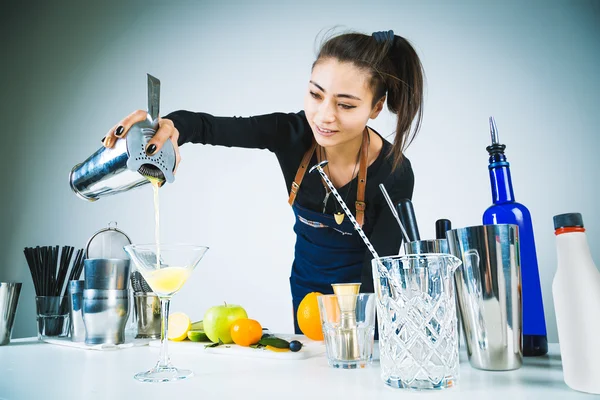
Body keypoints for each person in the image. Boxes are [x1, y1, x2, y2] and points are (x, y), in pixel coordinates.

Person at [103, 29, 425, 333]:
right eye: (315, 94)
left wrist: (358, 331)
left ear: (376, 107)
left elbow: (380, 273)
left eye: (345, 104)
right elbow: (208, 126)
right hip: (306, 293)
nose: (324, 115)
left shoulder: (393, 173)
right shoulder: (292, 135)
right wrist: (168, 126)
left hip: (364, 302)